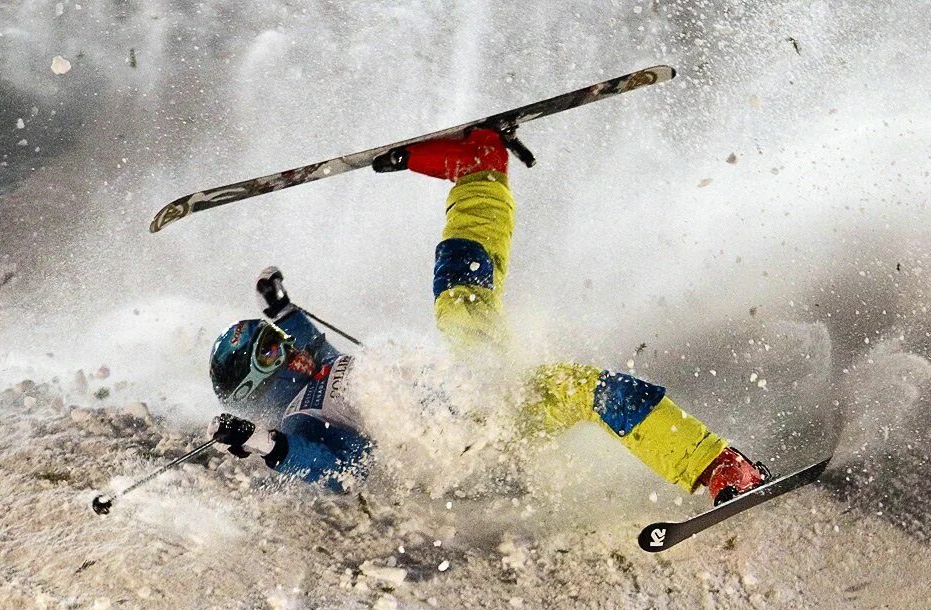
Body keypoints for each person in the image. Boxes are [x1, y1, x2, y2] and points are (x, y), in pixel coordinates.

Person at [207, 129, 769, 504]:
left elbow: (311, 341)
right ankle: (719, 470)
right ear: (265, 382)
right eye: (273, 350)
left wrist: (280, 308)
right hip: (480, 453)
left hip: (482, 392)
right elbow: (333, 465)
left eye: (277, 339)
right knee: (551, 369)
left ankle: (479, 170)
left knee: (466, 307)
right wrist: (265, 446)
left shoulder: (318, 369)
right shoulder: (304, 417)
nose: (289, 347)